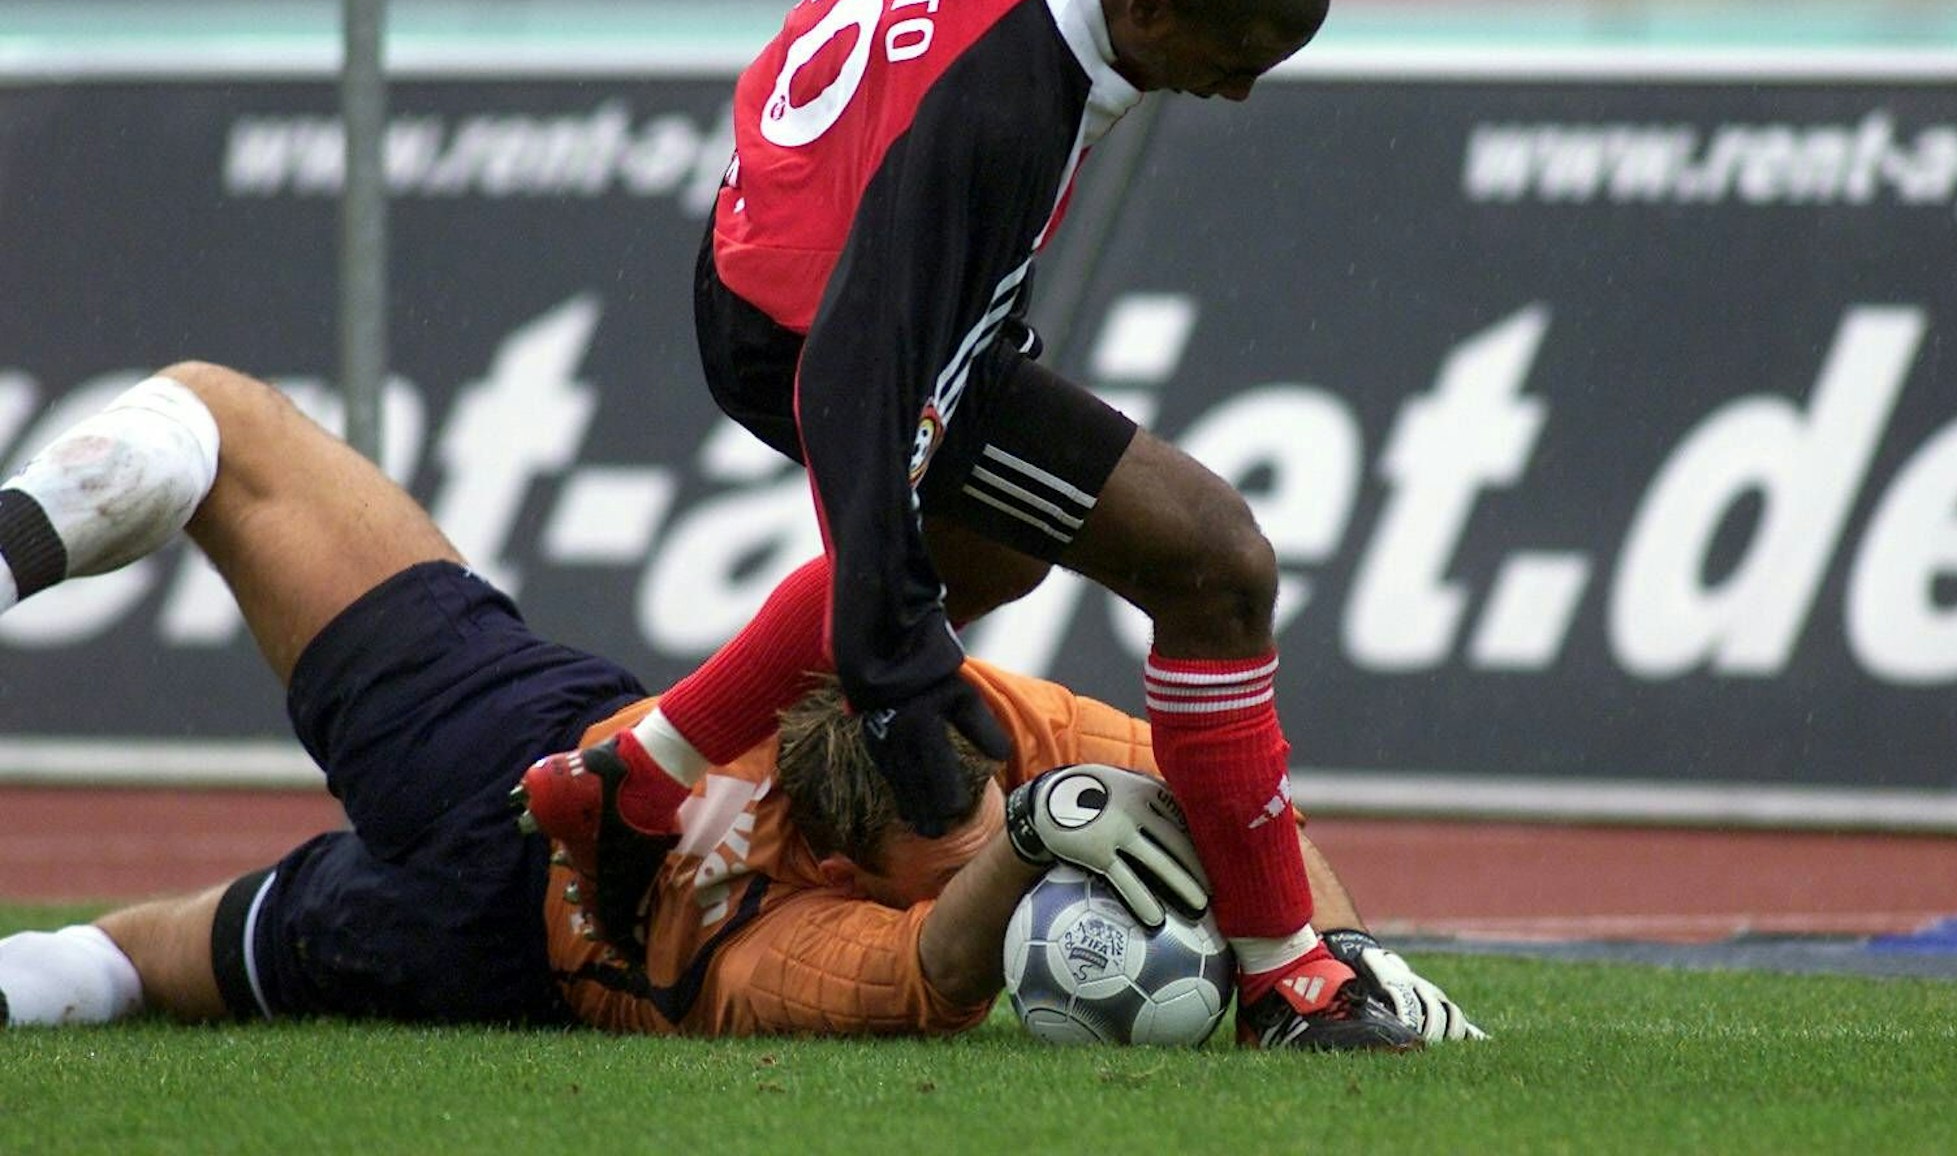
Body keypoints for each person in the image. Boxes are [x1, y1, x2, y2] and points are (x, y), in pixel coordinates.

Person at [518, 0, 1405, 1051]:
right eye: (1227, 67)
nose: (1231, 97)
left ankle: (642, 770)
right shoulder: (995, 120)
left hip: (788, 219)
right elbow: (852, 391)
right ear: (1152, 7)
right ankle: (1293, 980)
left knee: (994, 559)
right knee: (1212, 560)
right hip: (810, 321)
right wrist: (894, 673)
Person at [0, 366, 1477, 1045]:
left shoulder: (956, 712)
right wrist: (1027, 846)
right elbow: (943, 975)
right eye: (959, 847)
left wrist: (1333, 960)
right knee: (137, 962)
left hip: (521, 764)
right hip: (477, 919)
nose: (981, 846)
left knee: (219, 420)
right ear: (864, 870)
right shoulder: (787, 945)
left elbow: (1213, 770)